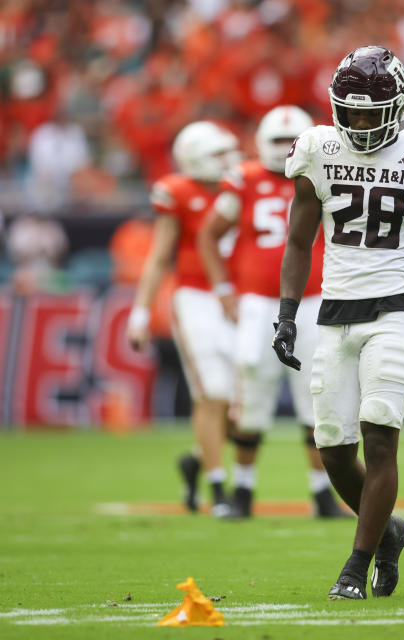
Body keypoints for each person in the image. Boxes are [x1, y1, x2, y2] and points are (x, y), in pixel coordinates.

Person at [273, 46, 404, 599]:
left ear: (399, 105)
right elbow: (297, 239)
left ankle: (355, 567)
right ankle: (388, 533)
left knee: (380, 440)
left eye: (370, 111)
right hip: (332, 314)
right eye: (351, 111)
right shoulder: (316, 148)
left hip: (392, 312)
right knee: (332, 448)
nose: (359, 122)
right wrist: (287, 314)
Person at [197, 105, 347, 519]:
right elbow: (209, 235)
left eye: (290, 140)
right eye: (277, 141)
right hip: (258, 302)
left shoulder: (323, 174)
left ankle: (321, 493)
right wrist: (224, 289)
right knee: (253, 398)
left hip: (315, 298)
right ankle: (242, 491)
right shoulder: (243, 180)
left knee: (317, 399)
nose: (284, 149)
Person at [126, 121, 241, 516]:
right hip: (196, 299)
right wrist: (140, 313)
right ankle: (217, 488)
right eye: (218, 154)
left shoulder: (242, 185)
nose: (229, 160)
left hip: (240, 300)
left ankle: (196, 459)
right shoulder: (178, 192)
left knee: (240, 407)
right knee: (211, 392)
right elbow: (159, 257)